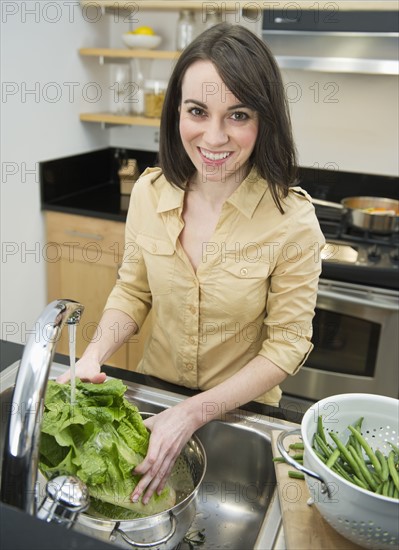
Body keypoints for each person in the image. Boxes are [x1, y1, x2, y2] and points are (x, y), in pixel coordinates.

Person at [57, 23, 325, 506]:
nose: (214, 136)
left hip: (242, 416)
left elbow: (288, 344)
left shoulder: (292, 219)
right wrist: (92, 356)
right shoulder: (149, 191)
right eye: (198, 111)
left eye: (237, 114)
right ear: (176, 111)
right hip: (155, 395)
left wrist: (195, 412)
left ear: (264, 120)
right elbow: (133, 291)